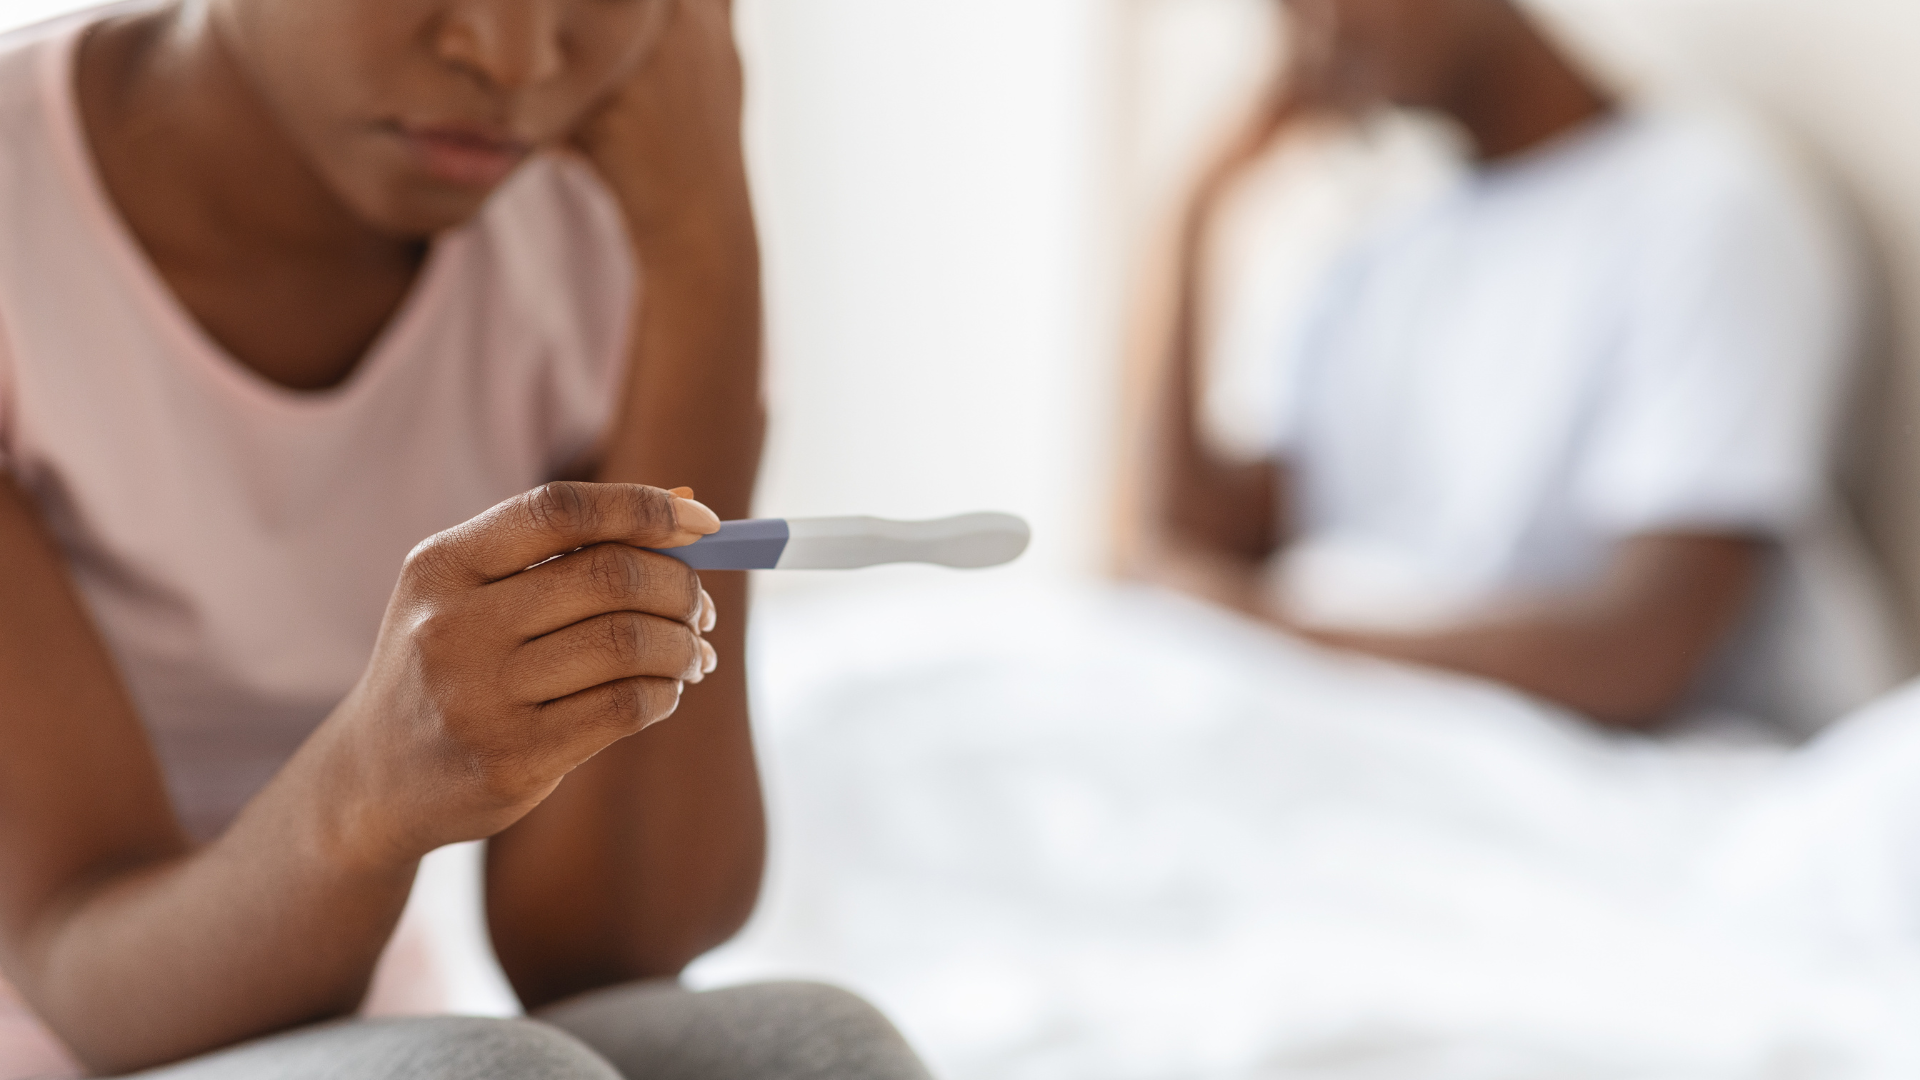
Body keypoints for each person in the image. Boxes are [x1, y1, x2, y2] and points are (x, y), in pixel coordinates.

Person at [0, 1, 930, 1078]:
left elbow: (606, 947)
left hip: (329, 1013)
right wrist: (366, 793)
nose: (515, 59)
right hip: (63, 1019)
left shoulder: (588, 227)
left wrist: (702, 242)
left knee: (815, 1052)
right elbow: (77, 979)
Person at [1125, 0, 1905, 733]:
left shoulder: (1707, 208)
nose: (1312, 27)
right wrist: (1192, 214)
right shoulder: (1379, 253)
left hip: (1579, 775)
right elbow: (1183, 552)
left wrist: (1269, 640)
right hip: (1342, 732)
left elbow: (1642, 652)